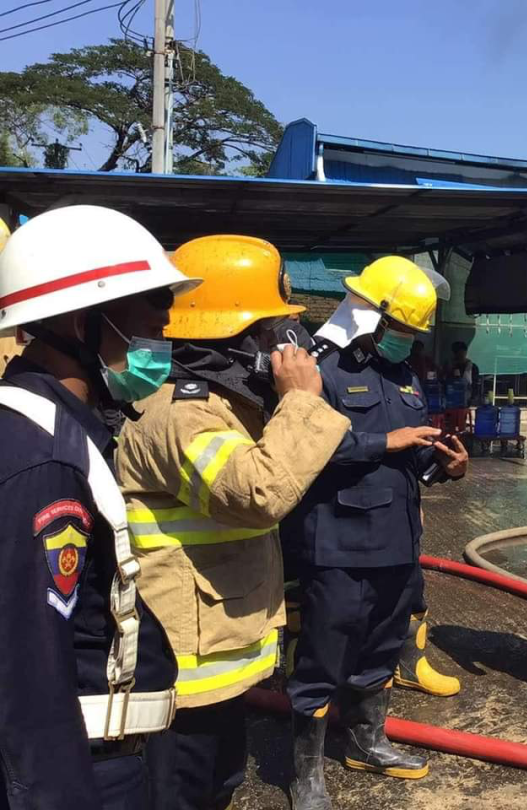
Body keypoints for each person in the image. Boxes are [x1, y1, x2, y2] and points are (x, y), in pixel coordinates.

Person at [113, 234, 350, 810]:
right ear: (235, 334)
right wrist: (300, 401)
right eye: (271, 332)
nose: (283, 346)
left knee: (218, 788)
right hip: (174, 686)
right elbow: (259, 491)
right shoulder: (179, 414)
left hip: (216, 674)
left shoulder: (222, 405)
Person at [0, 205, 201, 808]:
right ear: (81, 319)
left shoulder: (56, 427)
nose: (163, 335)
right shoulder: (48, 458)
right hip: (80, 771)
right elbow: (28, 670)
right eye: (150, 312)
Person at [283, 256, 468, 804]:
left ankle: (368, 741)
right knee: (321, 657)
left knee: (382, 648)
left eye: (415, 334)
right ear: (373, 317)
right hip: (339, 545)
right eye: (403, 330)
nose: (408, 342)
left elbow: (413, 458)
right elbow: (302, 448)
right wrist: (385, 443)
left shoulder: (404, 376)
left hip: (397, 544)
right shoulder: (323, 371)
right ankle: (305, 773)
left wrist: (446, 466)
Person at [444, 340, 482, 405]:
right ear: (454, 353)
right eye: (458, 353)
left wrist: (473, 398)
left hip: (466, 399)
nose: (461, 355)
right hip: (450, 399)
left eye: (462, 353)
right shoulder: (449, 365)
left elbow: (475, 385)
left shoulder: (472, 367)